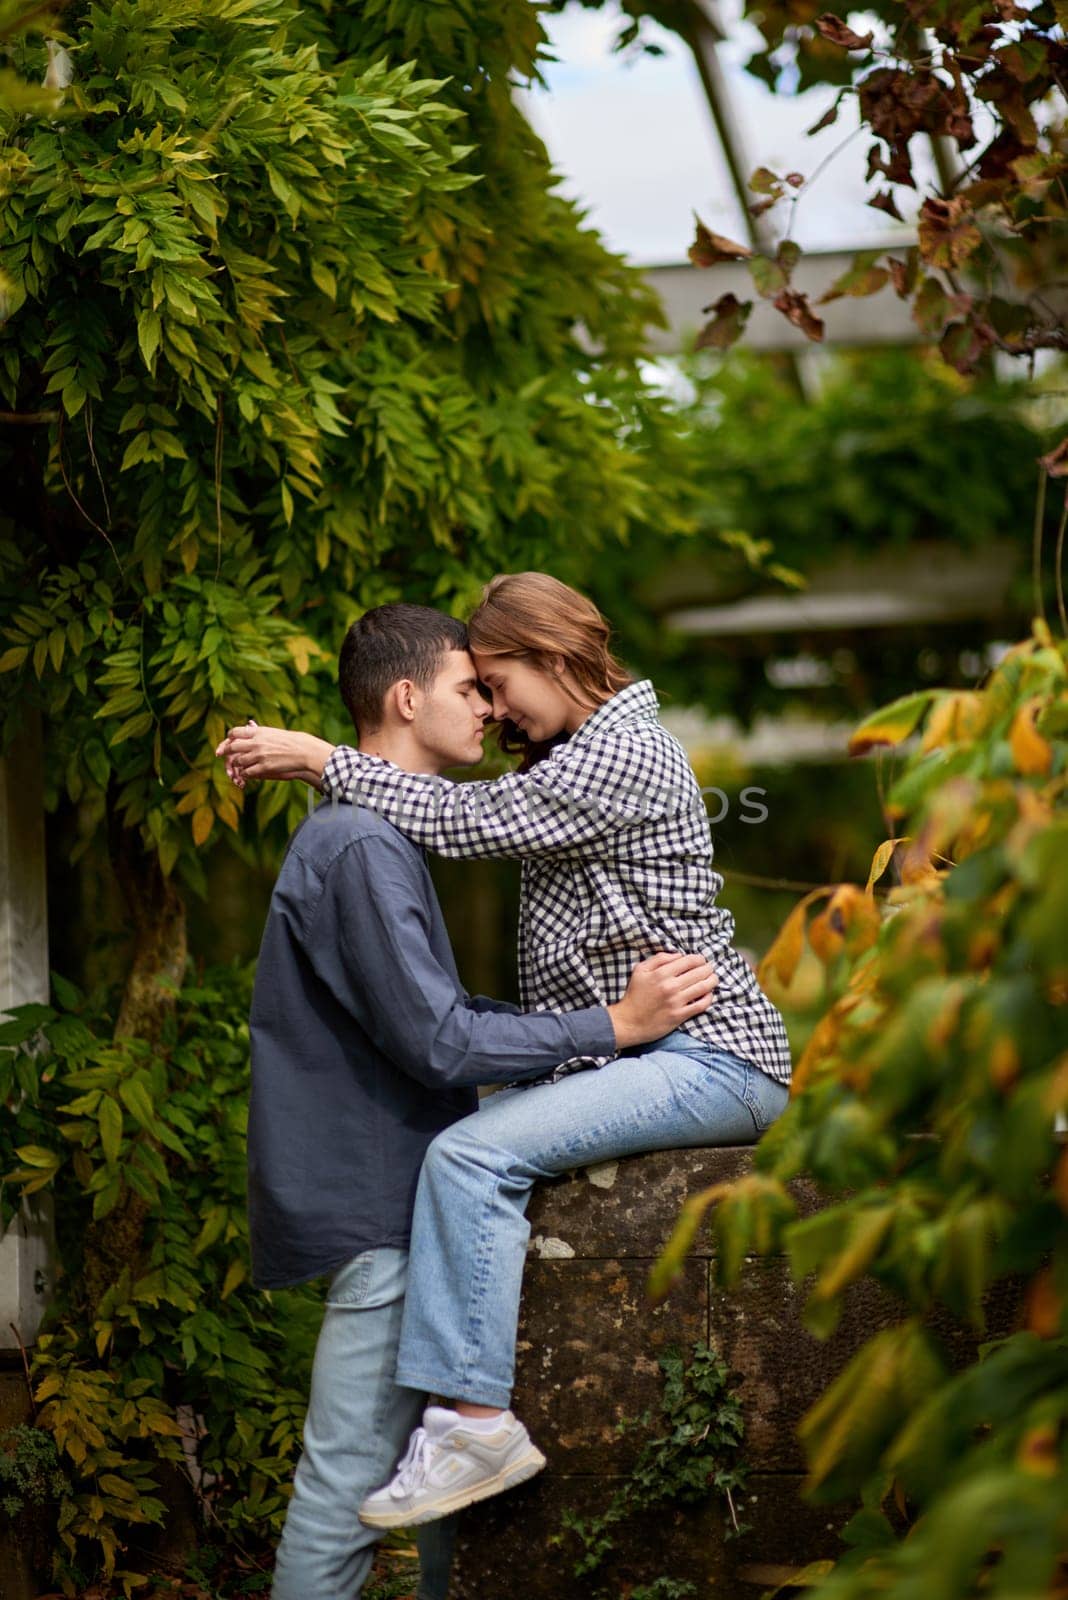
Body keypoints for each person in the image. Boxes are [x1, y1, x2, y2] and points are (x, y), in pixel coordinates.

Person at [221, 571, 790, 1533]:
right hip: (644, 1059)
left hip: (707, 1055)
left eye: (495, 681)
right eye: (473, 687)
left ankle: (476, 1422)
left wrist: (326, 759)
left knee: (468, 1153)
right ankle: (451, 1435)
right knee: (459, 1148)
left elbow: (465, 823)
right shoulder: (573, 759)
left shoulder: (623, 753)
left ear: (550, 657)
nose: (491, 707)